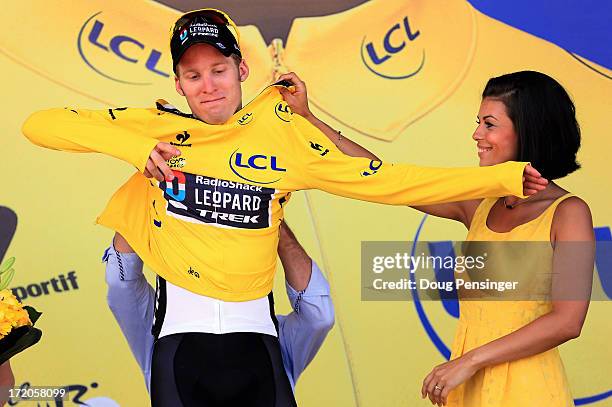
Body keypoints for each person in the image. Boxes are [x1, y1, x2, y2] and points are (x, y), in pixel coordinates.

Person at [21, 8, 547, 406]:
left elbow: (387, 181)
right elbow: (40, 124)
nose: (208, 86)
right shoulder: (158, 130)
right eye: (194, 75)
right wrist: (138, 150)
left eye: (219, 70)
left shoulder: (283, 136)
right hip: (179, 349)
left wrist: (500, 178)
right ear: (177, 83)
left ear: (242, 68)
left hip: (259, 347)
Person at [410, 71, 592, 406]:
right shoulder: (480, 202)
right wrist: (311, 120)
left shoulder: (569, 213)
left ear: (527, 131)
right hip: (466, 391)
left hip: (528, 393)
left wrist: (469, 361)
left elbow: (568, 321)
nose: (476, 134)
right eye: (478, 122)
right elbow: (383, 177)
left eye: (489, 124)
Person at [104, 221, 333, 393]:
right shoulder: (273, 343)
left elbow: (121, 282)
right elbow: (317, 314)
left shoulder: (159, 342)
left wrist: (268, 217)